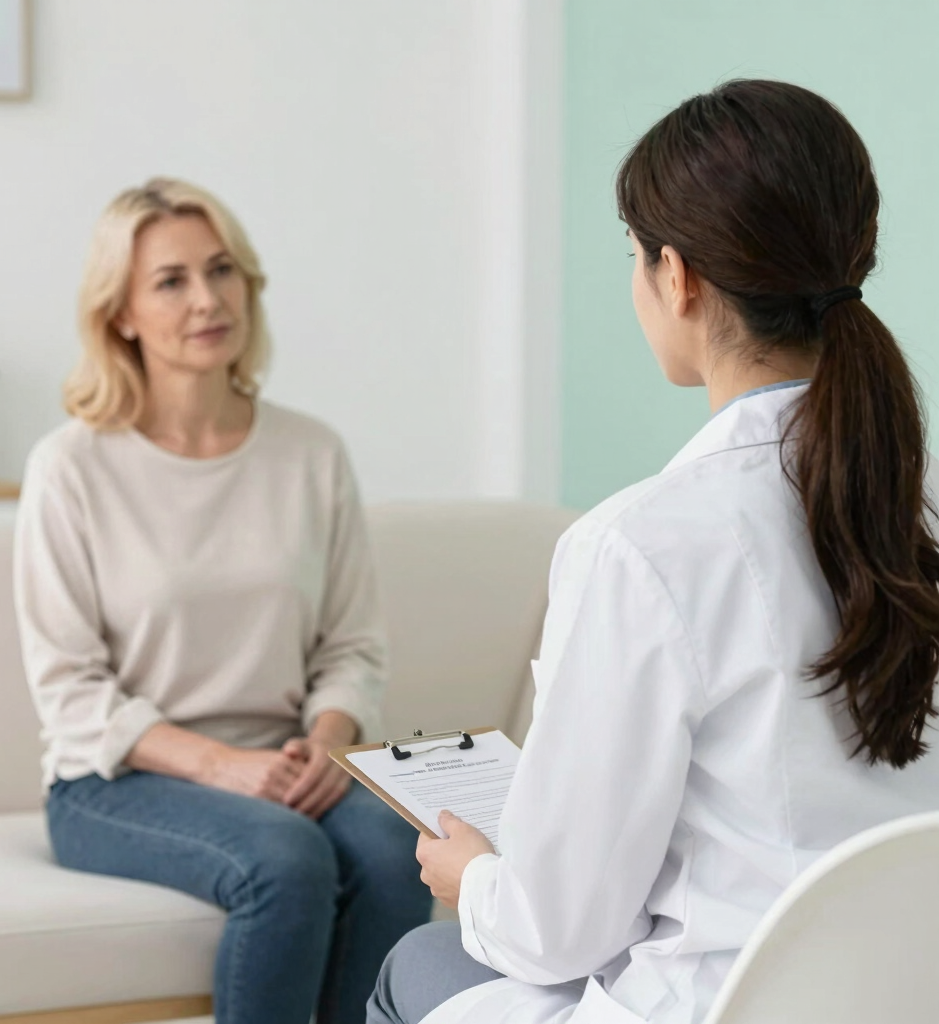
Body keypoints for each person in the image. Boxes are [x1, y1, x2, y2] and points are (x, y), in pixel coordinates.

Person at [368, 80, 939, 1024]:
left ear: (678, 277)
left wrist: (473, 877)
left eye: (635, 255)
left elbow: (558, 931)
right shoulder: (917, 506)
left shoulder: (641, 545)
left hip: (716, 1007)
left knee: (422, 963)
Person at [13, 178, 432, 1024]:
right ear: (121, 312)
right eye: (171, 280)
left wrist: (328, 743)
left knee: (396, 845)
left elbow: (350, 644)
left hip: (289, 760)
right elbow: (71, 692)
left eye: (222, 270)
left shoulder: (310, 453)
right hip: (117, 780)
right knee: (284, 859)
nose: (207, 299)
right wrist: (223, 767)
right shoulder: (71, 468)